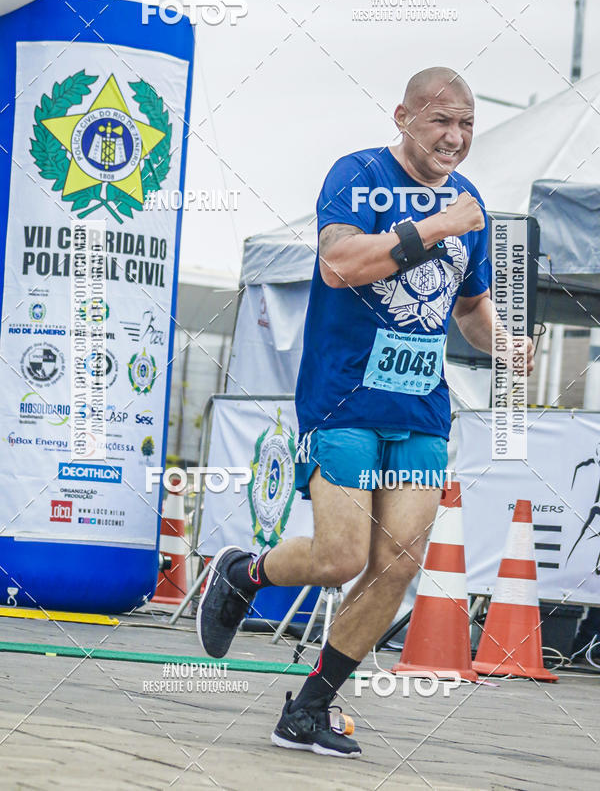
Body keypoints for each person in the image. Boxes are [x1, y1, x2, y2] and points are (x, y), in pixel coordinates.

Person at [198, 66, 535, 758]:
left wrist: (503, 345)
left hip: (419, 412)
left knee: (396, 567)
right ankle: (242, 573)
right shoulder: (358, 175)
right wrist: (435, 224)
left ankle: (309, 709)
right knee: (341, 556)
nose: (456, 136)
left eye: (467, 123)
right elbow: (339, 265)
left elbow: (468, 309)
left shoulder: (469, 197)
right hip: (343, 399)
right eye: (442, 120)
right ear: (403, 117)